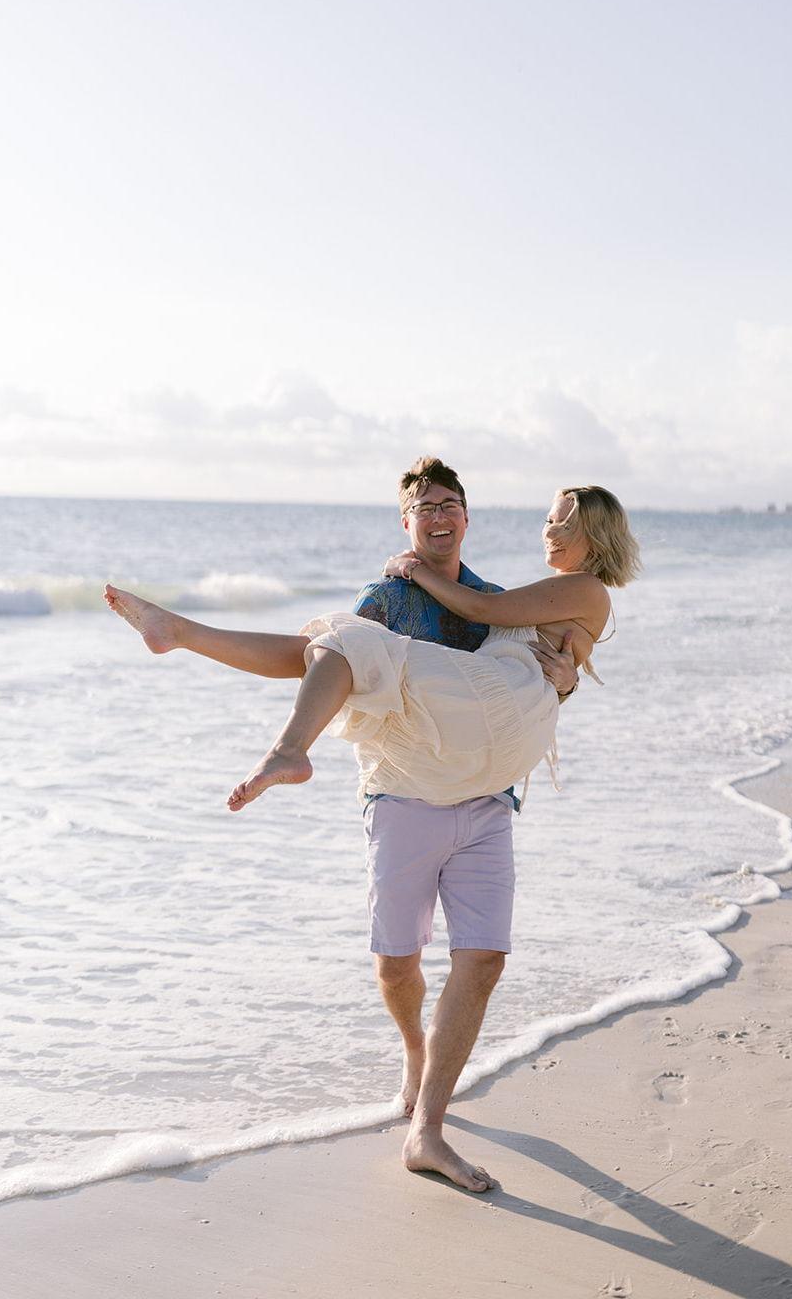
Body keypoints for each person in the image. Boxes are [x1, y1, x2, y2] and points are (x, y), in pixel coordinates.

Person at [104, 457, 640, 1191]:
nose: (439, 516)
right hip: (407, 796)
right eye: (424, 508)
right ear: (407, 523)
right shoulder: (388, 595)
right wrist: (557, 664)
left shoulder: (492, 595)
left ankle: (428, 1130)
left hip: (483, 798)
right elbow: (314, 662)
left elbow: (515, 676)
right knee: (397, 963)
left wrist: (567, 674)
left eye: (451, 503)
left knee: (482, 959)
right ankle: (415, 1053)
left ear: (466, 516)